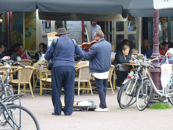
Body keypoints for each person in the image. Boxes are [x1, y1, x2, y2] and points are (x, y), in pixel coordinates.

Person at [44, 28, 84, 116]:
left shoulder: (55, 42)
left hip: (57, 67)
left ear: (58, 35)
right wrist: (73, 59)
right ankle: (68, 111)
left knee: (56, 89)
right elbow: (81, 55)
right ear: (66, 34)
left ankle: (57, 110)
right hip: (70, 67)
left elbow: (47, 55)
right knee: (69, 90)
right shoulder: (73, 42)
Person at [83, 30, 111, 112]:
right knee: (104, 87)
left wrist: (84, 50)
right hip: (106, 68)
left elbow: (88, 56)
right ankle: (103, 104)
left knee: (99, 88)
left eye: (95, 36)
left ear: (98, 37)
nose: (94, 38)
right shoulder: (108, 45)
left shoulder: (95, 46)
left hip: (98, 69)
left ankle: (103, 106)